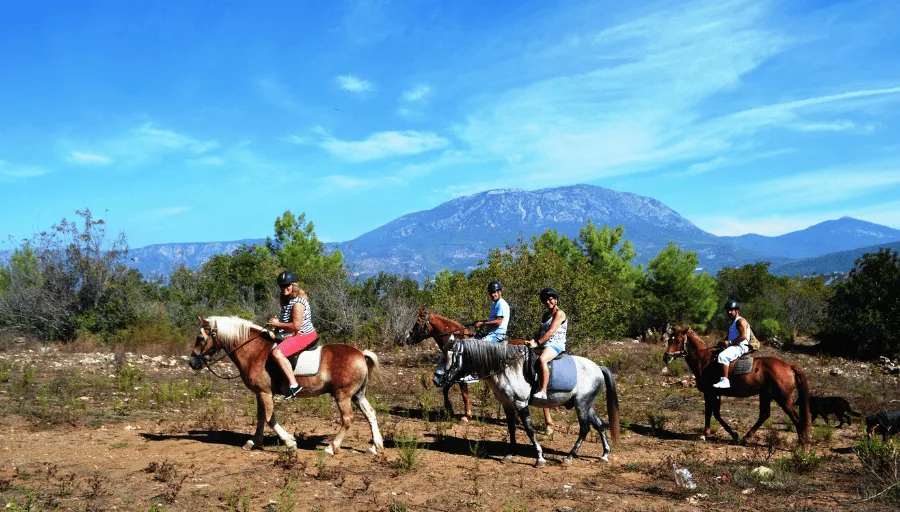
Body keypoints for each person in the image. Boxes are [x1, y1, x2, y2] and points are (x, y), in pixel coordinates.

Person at [268, 271, 318, 399]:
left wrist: (277, 324)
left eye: (287, 285)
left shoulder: (297, 303)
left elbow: (296, 326)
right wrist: (278, 325)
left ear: (293, 285)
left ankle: (294, 384)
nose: (284, 288)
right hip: (293, 333)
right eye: (282, 286)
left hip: (303, 335)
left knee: (277, 353)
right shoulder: (288, 301)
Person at [528, 288, 567, 400]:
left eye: (550, 299)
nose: (548, 302)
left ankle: (543, 390)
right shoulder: (546, 315)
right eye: (545, 300)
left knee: (542, 359)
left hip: (555, 344)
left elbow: (551, 332)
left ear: (556, 300)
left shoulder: (559, 313)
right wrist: (533, 340)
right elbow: (541, 332)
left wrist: (538, 343)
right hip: (545, 344)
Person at [712, 300, 751, 389]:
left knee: (722, 356)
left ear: (736, 310)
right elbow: (729, 337)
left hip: (740, 347)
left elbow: (744, 336)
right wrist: (723, 342)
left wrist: (730, 343)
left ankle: (725, 381)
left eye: (731, 310)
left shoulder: (740, 321)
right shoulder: (732, 323)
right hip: (735, 345)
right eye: (727, 310)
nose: (729, 312)